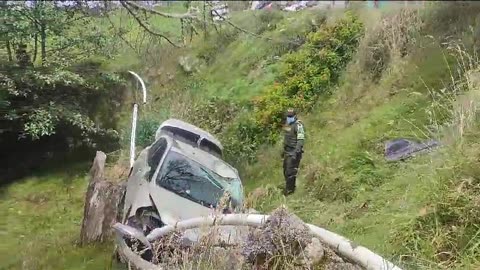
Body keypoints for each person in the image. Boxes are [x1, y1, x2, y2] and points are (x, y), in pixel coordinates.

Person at [281, 108, 305, 196]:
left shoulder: (298, 125)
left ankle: (290, 192)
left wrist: (296, 152)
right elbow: (286, 138)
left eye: (290, 116)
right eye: (288, 116)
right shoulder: (287, 125)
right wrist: (283, 151)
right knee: (285, 171)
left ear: (294, 116)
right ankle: (289, 188)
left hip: (294, 151)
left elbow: (300, 140)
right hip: (287, 152)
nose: (289, 118)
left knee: (290, 172)